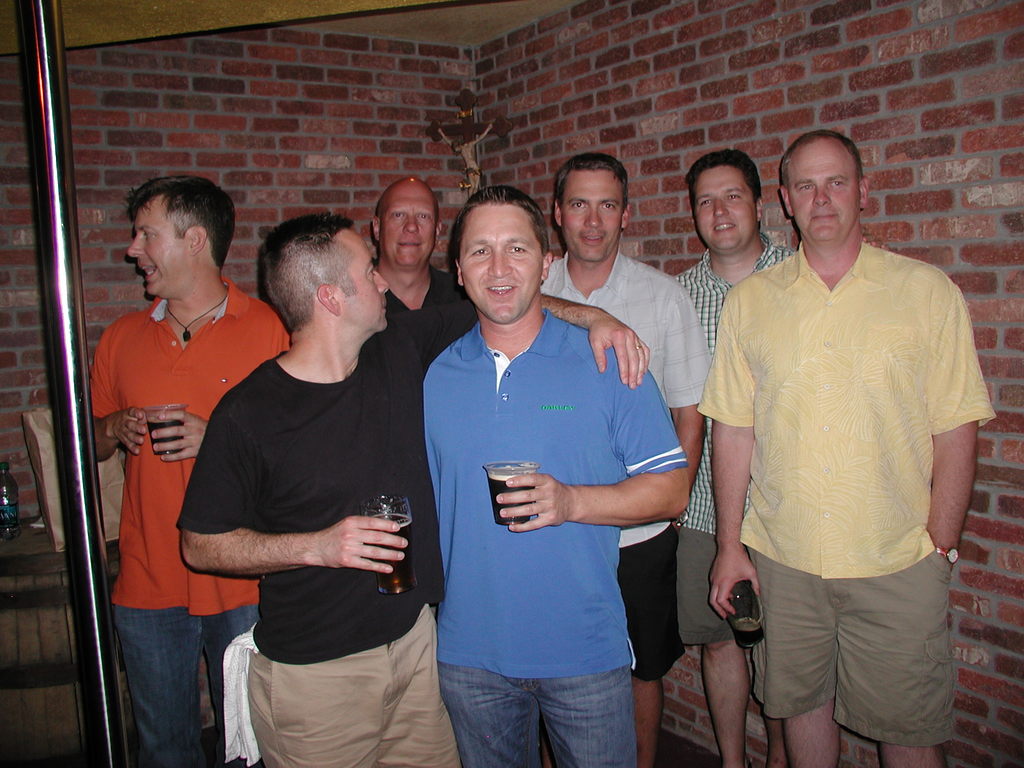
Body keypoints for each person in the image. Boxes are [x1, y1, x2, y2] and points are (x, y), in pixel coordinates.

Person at [178, 212, 650, 767]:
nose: (383, 279)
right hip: (317, 675)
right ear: (330, 297)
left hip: (417, 651)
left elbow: (505, 300)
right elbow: (200, 545)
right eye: (368, 271)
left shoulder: (397, 347)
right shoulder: (249, 412)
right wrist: (316, 546)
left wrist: (599, 319)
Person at [701, 130, 994, 768]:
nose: (821, 198)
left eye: (836, 181)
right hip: (785, 561)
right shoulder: (751, 303)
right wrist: (729, 546)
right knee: (800, 712)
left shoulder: (925, 292)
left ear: (863, 190)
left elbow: (957, 426)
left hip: (897, 562)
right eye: (805, 185)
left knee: (910, 732)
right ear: (785, 200)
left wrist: (939, 547)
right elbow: (734, 429)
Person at [425, 185, 690, 768]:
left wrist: (571, 502)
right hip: (469, 654)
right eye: (480, 251)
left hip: (583, 650)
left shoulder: (608, 361)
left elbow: (673, 490)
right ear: (459, 271)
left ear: (546, 264)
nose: (499, 267)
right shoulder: (434, 376)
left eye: (517, 249)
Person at [90, 175, 289, 768]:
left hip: (242, 577)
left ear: (195, 240)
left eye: (146, 234)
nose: (133, 249)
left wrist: (220, 441)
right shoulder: (120, 338)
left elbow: (296, 453)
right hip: (147, 578)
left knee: (249, 746)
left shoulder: (271, 330)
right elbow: (88, 446)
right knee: (163, 748)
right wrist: (111, 427)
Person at [541, 152, 709, 767]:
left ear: (626, 215)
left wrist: (670, 501)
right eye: (579, 205)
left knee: (642, 668)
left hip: (639, 531)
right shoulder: (530, 290)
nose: (593, 221)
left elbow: (690, 412)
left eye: (607, 205)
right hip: (553, 526)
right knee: (552, 665)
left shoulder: (662, 297)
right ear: (557, 214)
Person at [676, 149, 789, 768]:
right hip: (701, 510)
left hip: (783, 506)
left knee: (782, 657)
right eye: (705, 200)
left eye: (733, 196)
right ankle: (732, 761)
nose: (719, 211)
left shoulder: (799, 277)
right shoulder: (678, 296)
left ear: (760, 203)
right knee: (719, 643)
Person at [371, 176, 462, 315]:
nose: (411, 226)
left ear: (437, 230)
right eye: (398, 215)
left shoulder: (464, 300)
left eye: (423, 216)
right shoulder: (351, 300)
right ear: (377, 228)